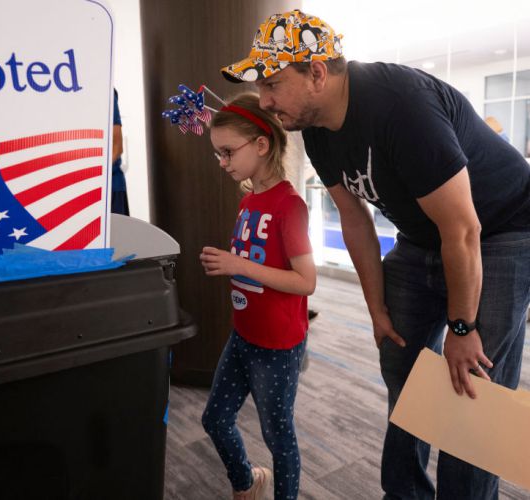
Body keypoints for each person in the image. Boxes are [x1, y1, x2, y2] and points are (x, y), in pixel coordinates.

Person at [220, 9, 530, 500]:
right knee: (401, 360)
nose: (265, 100)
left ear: (317, 73)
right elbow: (355, 219)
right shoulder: (316, 127)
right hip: (424, 235)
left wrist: (462, 326)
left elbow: (464, 228)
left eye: (274, 83)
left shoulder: (399, 106)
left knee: (474, 386)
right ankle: (404, 494)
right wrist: (377, 308)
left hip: (502, 228)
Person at [200, 92, 315, 500]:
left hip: (278, 346)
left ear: (261, 145)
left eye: (228, 151)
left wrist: (239, 266)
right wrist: (237, 263)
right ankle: (247, 484)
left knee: (278, 436)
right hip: (243, 335)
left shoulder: (290, 206)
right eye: (219, 153)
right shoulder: (249, 201)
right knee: (215, 419)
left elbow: (306, 282)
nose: (223, 162)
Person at [111, 88, 129, 215]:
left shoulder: (105, 91)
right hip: (80, 190)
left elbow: (117, 147)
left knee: (117, 234)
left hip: (111, 187)